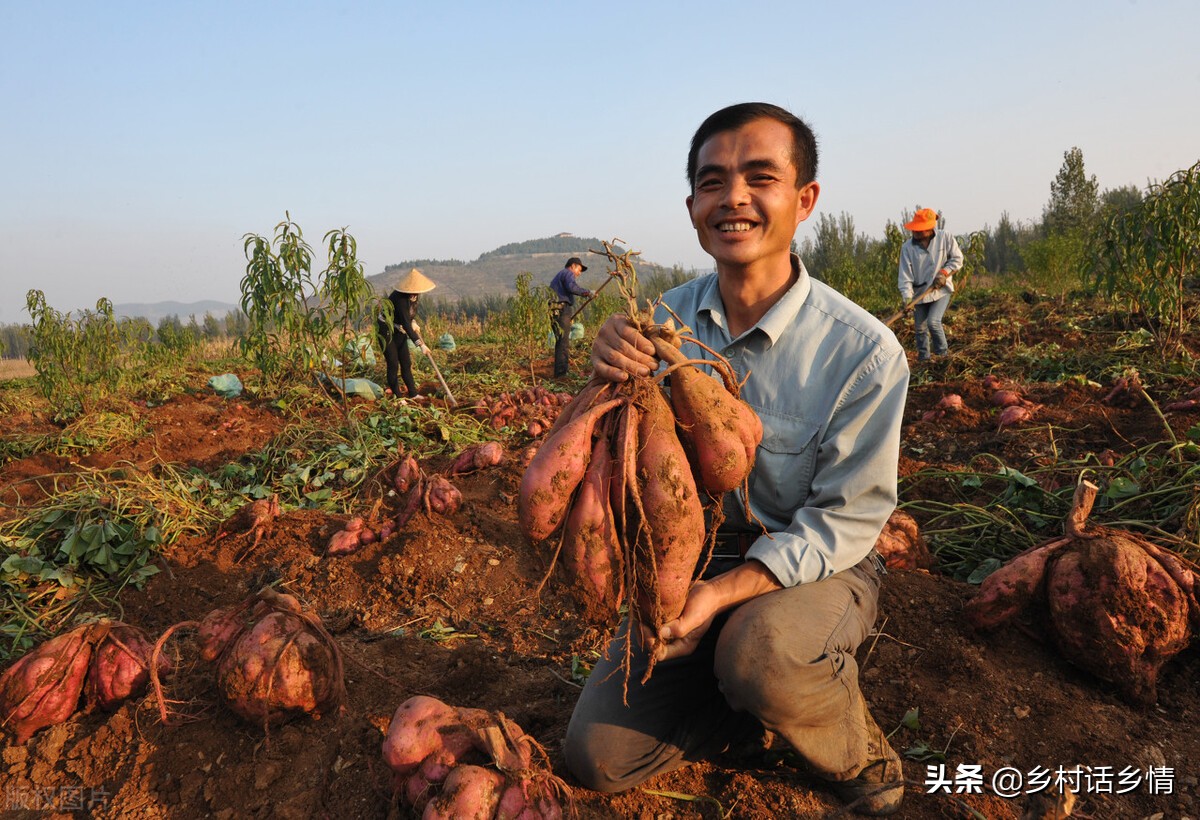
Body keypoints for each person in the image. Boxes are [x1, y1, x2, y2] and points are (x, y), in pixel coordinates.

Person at [563, 103, 910, 816]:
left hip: (817, 567)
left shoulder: (863, 352)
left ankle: (854, 744)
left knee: (760, 652)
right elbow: (623, 458)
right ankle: (748, 710)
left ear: (804, 198)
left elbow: (847, 521)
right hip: (689, 561)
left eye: (760, 178)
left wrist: (723, 595)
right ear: (692, 204)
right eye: (714, 181)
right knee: (597, 757)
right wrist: (603, 373)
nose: (735, 199)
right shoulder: (662, 324)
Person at [897, 208, 963, 361]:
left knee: (933, 322)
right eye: (915, 230)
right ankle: (924, 359)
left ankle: (943, 356)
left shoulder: (945, 238)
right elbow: (905, 275)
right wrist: (907, 298)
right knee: (920, 328)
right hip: (919, 295)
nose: (917, 233)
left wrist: (944, 273)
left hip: (940, 291)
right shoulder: (907, 248)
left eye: (920, 230)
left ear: (930, 228)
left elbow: (957, 259)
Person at [377, 267, 434, 398]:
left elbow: (409, 317)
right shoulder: (400, 299)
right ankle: (397, 396)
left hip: (399, 329)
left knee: (406, 363)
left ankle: (413, 394)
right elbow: (406, 324)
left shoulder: (414, 297)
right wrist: (421, 345)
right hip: (387, 330)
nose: (416, 294)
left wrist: (413, 322)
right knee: (393, 363)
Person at [549, 257, 593, 378]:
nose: (579, 273)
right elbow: (572, 287)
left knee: (560, 341)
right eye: (579, 269)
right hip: (561, 309)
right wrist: (588, 292)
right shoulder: (568, 273)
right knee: (563, 342)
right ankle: (561, 375)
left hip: (555, 310)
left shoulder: (560, 275)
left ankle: (559, 374)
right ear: (573, 266)